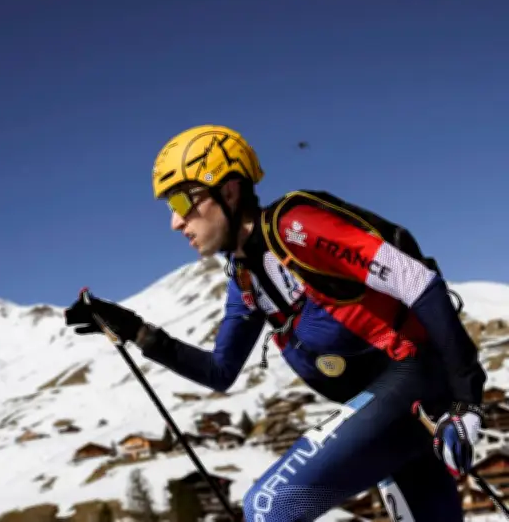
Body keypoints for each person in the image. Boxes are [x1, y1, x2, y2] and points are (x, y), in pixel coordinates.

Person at [64, 124, 486, 521]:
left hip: (413, 385)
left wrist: (467, 399)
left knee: (268, 507)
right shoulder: (245, 276)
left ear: (228, 191)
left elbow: (417, 280)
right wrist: (137, 331)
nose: (175, 222)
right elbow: (219, 371)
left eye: (180, 202)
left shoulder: (294, 225)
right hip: (391, 415)